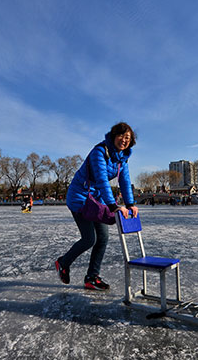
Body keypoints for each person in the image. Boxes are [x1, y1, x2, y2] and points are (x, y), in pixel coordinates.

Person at [55, 122, 139, 290]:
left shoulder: (122, 158)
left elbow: (125, 180)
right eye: (121, 136)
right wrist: (113, 206)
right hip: (80, 198)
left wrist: (130, 204)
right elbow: (101, 180)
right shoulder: (99, 152)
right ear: (114, 136)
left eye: (128, 138)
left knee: (103, 238)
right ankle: (63, 262)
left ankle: (92, 277)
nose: (124, 140)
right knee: (89, 239)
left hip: (96, 199)